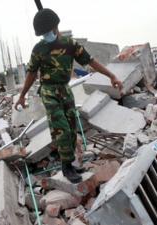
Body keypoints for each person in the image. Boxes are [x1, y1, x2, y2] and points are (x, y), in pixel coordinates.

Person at [15, 8, 123, 183]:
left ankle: (71, 162)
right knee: (61, 128)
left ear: (56, 27)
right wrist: (22, 96)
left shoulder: (70, 44)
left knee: (72, 127)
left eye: (47, 31)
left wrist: (112, 76)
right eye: (42, 33)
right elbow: (31, 73)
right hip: (49, 91)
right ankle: (66, 166)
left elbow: (91, 62)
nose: (46, 35)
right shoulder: (39, 49)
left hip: (65, 89)